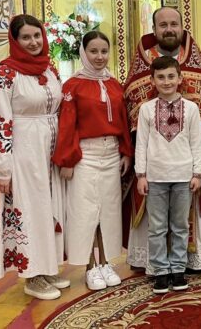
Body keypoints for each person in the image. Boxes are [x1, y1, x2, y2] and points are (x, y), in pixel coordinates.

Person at [123, 7, 201, 274]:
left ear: (182, 26)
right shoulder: (142, 65)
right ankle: (155, 265)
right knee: (157, 222)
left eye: (174, 24)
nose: (169, 29)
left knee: (181, 219)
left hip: (186, 161)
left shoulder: (198, 65)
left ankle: (182, 263)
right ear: (154, 29)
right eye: (163, 25)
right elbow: (131, 102)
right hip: (154, 164)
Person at [0, 15, 68, 300]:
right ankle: (32, 275)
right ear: (15, 41)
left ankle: (46, 267)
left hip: (50, 150)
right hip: (24, 151)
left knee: (50, 206)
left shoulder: (49, 68)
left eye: (37, 36)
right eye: (26, 37)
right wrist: (1, 168)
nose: (33, 42)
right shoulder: (6, 73)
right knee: (30, 208)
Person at [52, 31, 133, 291]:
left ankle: (106, 262)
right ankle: (90, 266)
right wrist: (67, 159)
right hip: (84, 155)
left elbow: (123, 120)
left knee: (109, 211)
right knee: (86, 212)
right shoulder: (72, 86)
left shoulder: (114, 84)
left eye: (104, 51)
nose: (99, 57)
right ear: (83, 53)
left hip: (111, 153)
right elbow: (67, 124)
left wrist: (126, 152)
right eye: (93, 51)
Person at [136, 56, 201, 293]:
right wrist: (141, 175)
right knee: (157, 227)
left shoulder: (191, 108)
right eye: (161, 77)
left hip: (183, 176)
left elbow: (196, 143)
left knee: (180, 226)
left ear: (180, 78)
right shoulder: (146, 109)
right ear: (152, 80)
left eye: (171, 76)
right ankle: (160, 272)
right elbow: (141, 143)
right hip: (155, 177)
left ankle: (178, 270)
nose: (166, 82)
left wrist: (197, 173)